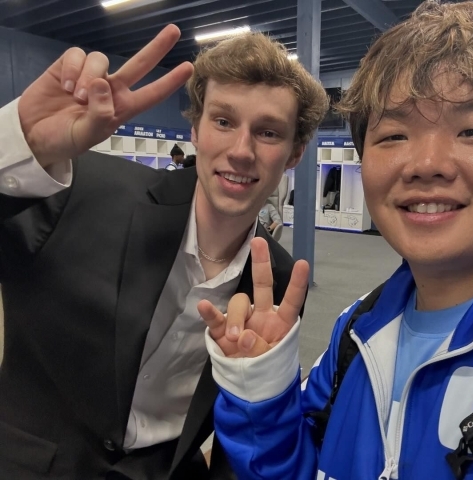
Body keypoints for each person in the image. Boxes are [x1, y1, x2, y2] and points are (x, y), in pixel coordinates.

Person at [200, 1, 473, 479]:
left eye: (472, 130)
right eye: (393, 136)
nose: (426, 164)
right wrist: (262, 395)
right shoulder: (356, 331)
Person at [0, 25, 327, 479]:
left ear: (294, 154)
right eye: (223, 121)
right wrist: (17, 142)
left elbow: (243, 421)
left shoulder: (279, 278)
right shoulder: (84, 187)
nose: (241, 151)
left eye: (268, 132)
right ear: (196, 129)